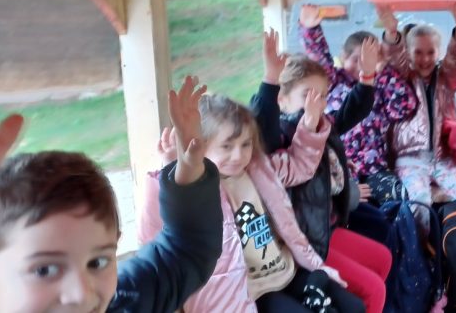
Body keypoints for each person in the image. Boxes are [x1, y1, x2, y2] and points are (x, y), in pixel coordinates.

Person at [0, 78, 223, 313]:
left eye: (97, 262)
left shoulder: (127, 303)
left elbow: (187, 250)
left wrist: (190, 172)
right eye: (44, 270)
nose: (81, 294)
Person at [139, 78, 364, 312]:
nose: (238, 155)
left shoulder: (259, 170)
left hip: (287, 270)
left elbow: (300, 166)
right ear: (199, 146)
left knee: (354, 307)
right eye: (227, 146)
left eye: (245, 144)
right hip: (252, 292)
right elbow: (155, 233)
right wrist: (173, 168)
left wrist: (309, 124)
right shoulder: (197, 193)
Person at [251, 29, 392, 313]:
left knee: (382, 258)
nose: (317, 102)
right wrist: (270, 80)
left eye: (323, 96)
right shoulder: (282, 133)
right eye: (308, 95)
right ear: (282, 100)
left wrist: (367, 77)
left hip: (326, 227)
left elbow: (352, 112)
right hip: (303, 242)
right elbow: (263, 130)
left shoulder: (321, 125)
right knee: (373, 289)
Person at [377, 1, 456, 220]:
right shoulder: (403, 77)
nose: (424, 59)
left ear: (438, 52)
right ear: (408, 53)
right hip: (409, 159)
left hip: (442, 159)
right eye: (418, 52)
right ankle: (421, 242)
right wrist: (392, 33)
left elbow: (455, 57)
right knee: (419, 202)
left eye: (430, 52)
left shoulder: (446, 78)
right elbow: (394, 57)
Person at [299, 5, 417, 183]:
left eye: (369, 60)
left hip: (375, 169)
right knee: (349, 198)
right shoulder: (333, 81)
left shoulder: (382, 84)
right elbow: (319, 57)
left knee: (395, 194)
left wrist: (382, 69)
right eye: (356, 59)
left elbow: (404, 108)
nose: (363, 66)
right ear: (343, 57)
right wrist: (310, 28)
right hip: (339, 170)